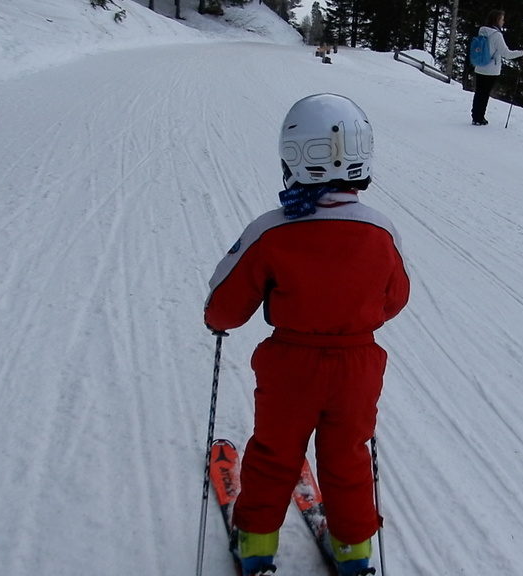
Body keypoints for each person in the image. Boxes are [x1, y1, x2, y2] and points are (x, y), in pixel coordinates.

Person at [204, 93, 411, 576]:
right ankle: (355, 551)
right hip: (357, 367)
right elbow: (395, 297)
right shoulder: (381, 231)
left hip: (290, 366)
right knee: (348, 456)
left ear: (291, 159)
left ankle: (256, 544)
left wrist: (217, 322)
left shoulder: (272, 230)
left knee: (275, 453)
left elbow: (227, 303)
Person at [471, 9, 523, 126]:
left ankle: (475, 116)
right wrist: (521, 53)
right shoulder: (496, 35)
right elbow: (506, 53)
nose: (503, 21)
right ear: (496, 20)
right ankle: (480, 118)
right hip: (491, 69)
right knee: (485, 94)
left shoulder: (482, 31)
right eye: (501, 19)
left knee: (479, 92)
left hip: (480, 65)